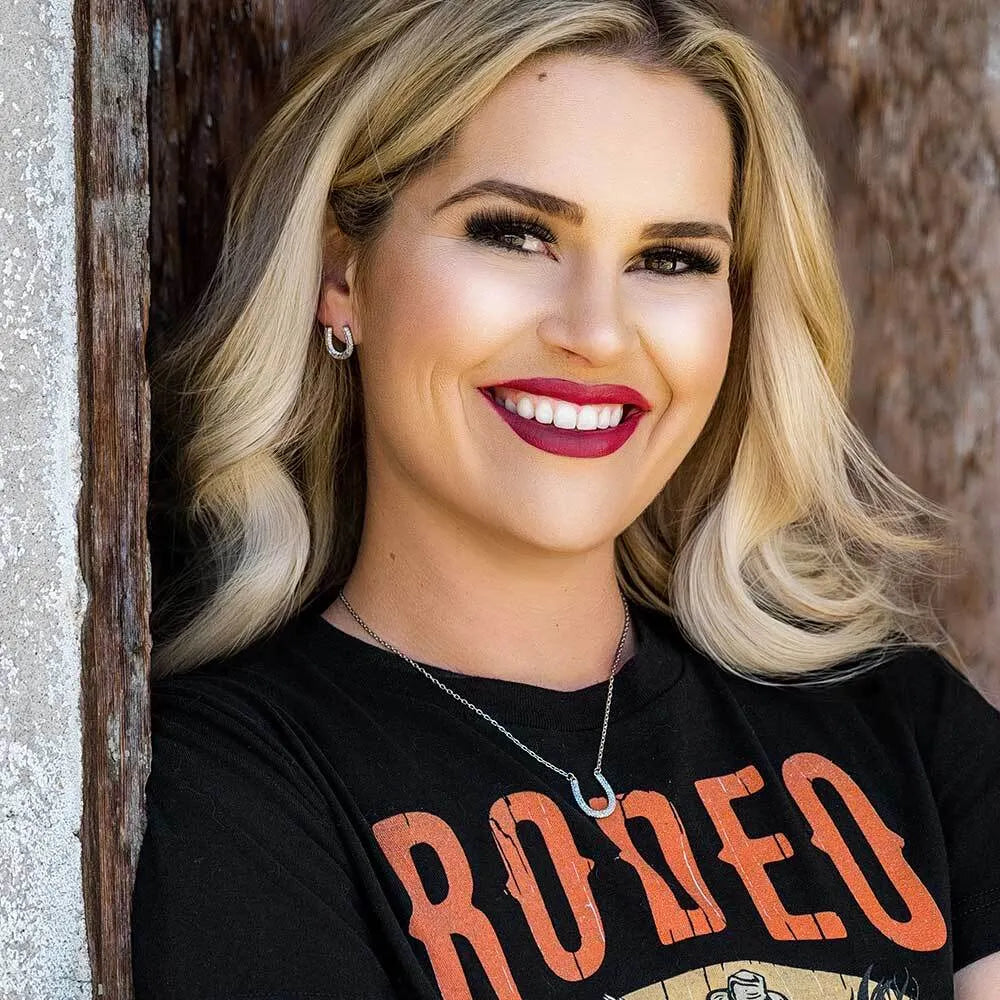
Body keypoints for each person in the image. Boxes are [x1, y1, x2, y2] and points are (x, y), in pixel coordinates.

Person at [130, 1, 1000, 997]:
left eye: (670, 259)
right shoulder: (238, 786)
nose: (596, 332)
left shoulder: (904, 727)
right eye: (515, 234)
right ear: (342, 270)